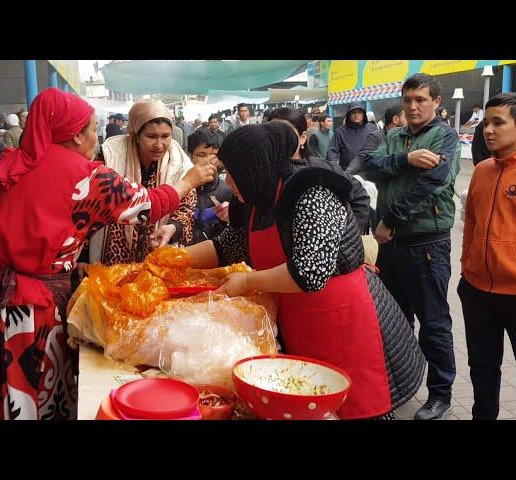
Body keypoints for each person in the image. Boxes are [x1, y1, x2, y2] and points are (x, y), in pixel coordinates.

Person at [0, 88, 216, 420]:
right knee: (34, 392)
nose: (96, 138)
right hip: (31, 307)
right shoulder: (83, 174)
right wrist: (189, 181)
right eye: (92, 129)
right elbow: (147, 206)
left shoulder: (13, 162)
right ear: (74, 133)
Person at [185, 122, 425, 419]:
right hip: (301, 321)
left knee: (357, 408)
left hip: (345, 323)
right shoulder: (257, 198)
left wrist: (246, 281)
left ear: (253, 169)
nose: (228, 182)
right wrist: (176, 258)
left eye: (232, 173)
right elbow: (228, 246)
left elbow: (309, 272)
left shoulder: (311, 193)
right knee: (309, 402)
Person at [362, 73, 460, 420]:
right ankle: (400, 383)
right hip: (393, 247)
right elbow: (367, 164)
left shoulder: (445, 138)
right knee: (396, 320)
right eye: (408, 100)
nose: (413, 106)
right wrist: (406, 160)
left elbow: (432, 183)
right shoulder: (395, 137)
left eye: (420, 99)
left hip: (427, 244)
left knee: (433, 323)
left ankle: (440, 394)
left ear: (436, 102)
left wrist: (390, 220)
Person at [457, 93, 516, 420]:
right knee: (482, 369)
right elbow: (471, 224)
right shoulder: (480, 171)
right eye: (485, 123)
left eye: (498, 122)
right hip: (477, 290)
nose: (488, 130)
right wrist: (467, 268)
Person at [91, 99, 200, 265]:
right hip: (114, 256)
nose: (159, 145)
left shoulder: (179, 162)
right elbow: (91, 206)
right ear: (136, 135)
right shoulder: (110, 156)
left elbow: (187, 205)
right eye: (151, 136)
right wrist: (82, 255)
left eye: (165, 136)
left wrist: (173, 227)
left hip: (157, 256)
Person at [267, 107, 371, 233]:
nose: (277, 139)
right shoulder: (263, 172)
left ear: (303, 137)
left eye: (284, 132)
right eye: (271, 133)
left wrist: (349, 236)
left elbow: (359, 195)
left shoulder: (324, 170)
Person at [187, 129, 233, 244]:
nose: (208, 160)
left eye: (214, 156)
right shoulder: (182, 188)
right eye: (201, 155)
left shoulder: (229, 190)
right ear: (190, 155)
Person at [346, 104, 406, 175]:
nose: (410, 120)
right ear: (395, 119)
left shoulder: (407, 136)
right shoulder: (376, 137)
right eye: (406, 117)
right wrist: (347, 174)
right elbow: (362, 157)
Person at [327, 102, 378, 170]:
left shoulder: (372, 129)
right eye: (353, 112)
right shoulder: (340, 132)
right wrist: (334, 168)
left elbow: (380, 147)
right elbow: (332, 151)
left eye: (359, 112)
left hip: (368, 171)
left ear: (363, 114)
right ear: (349, 115)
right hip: (347, 172)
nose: (356, 115)